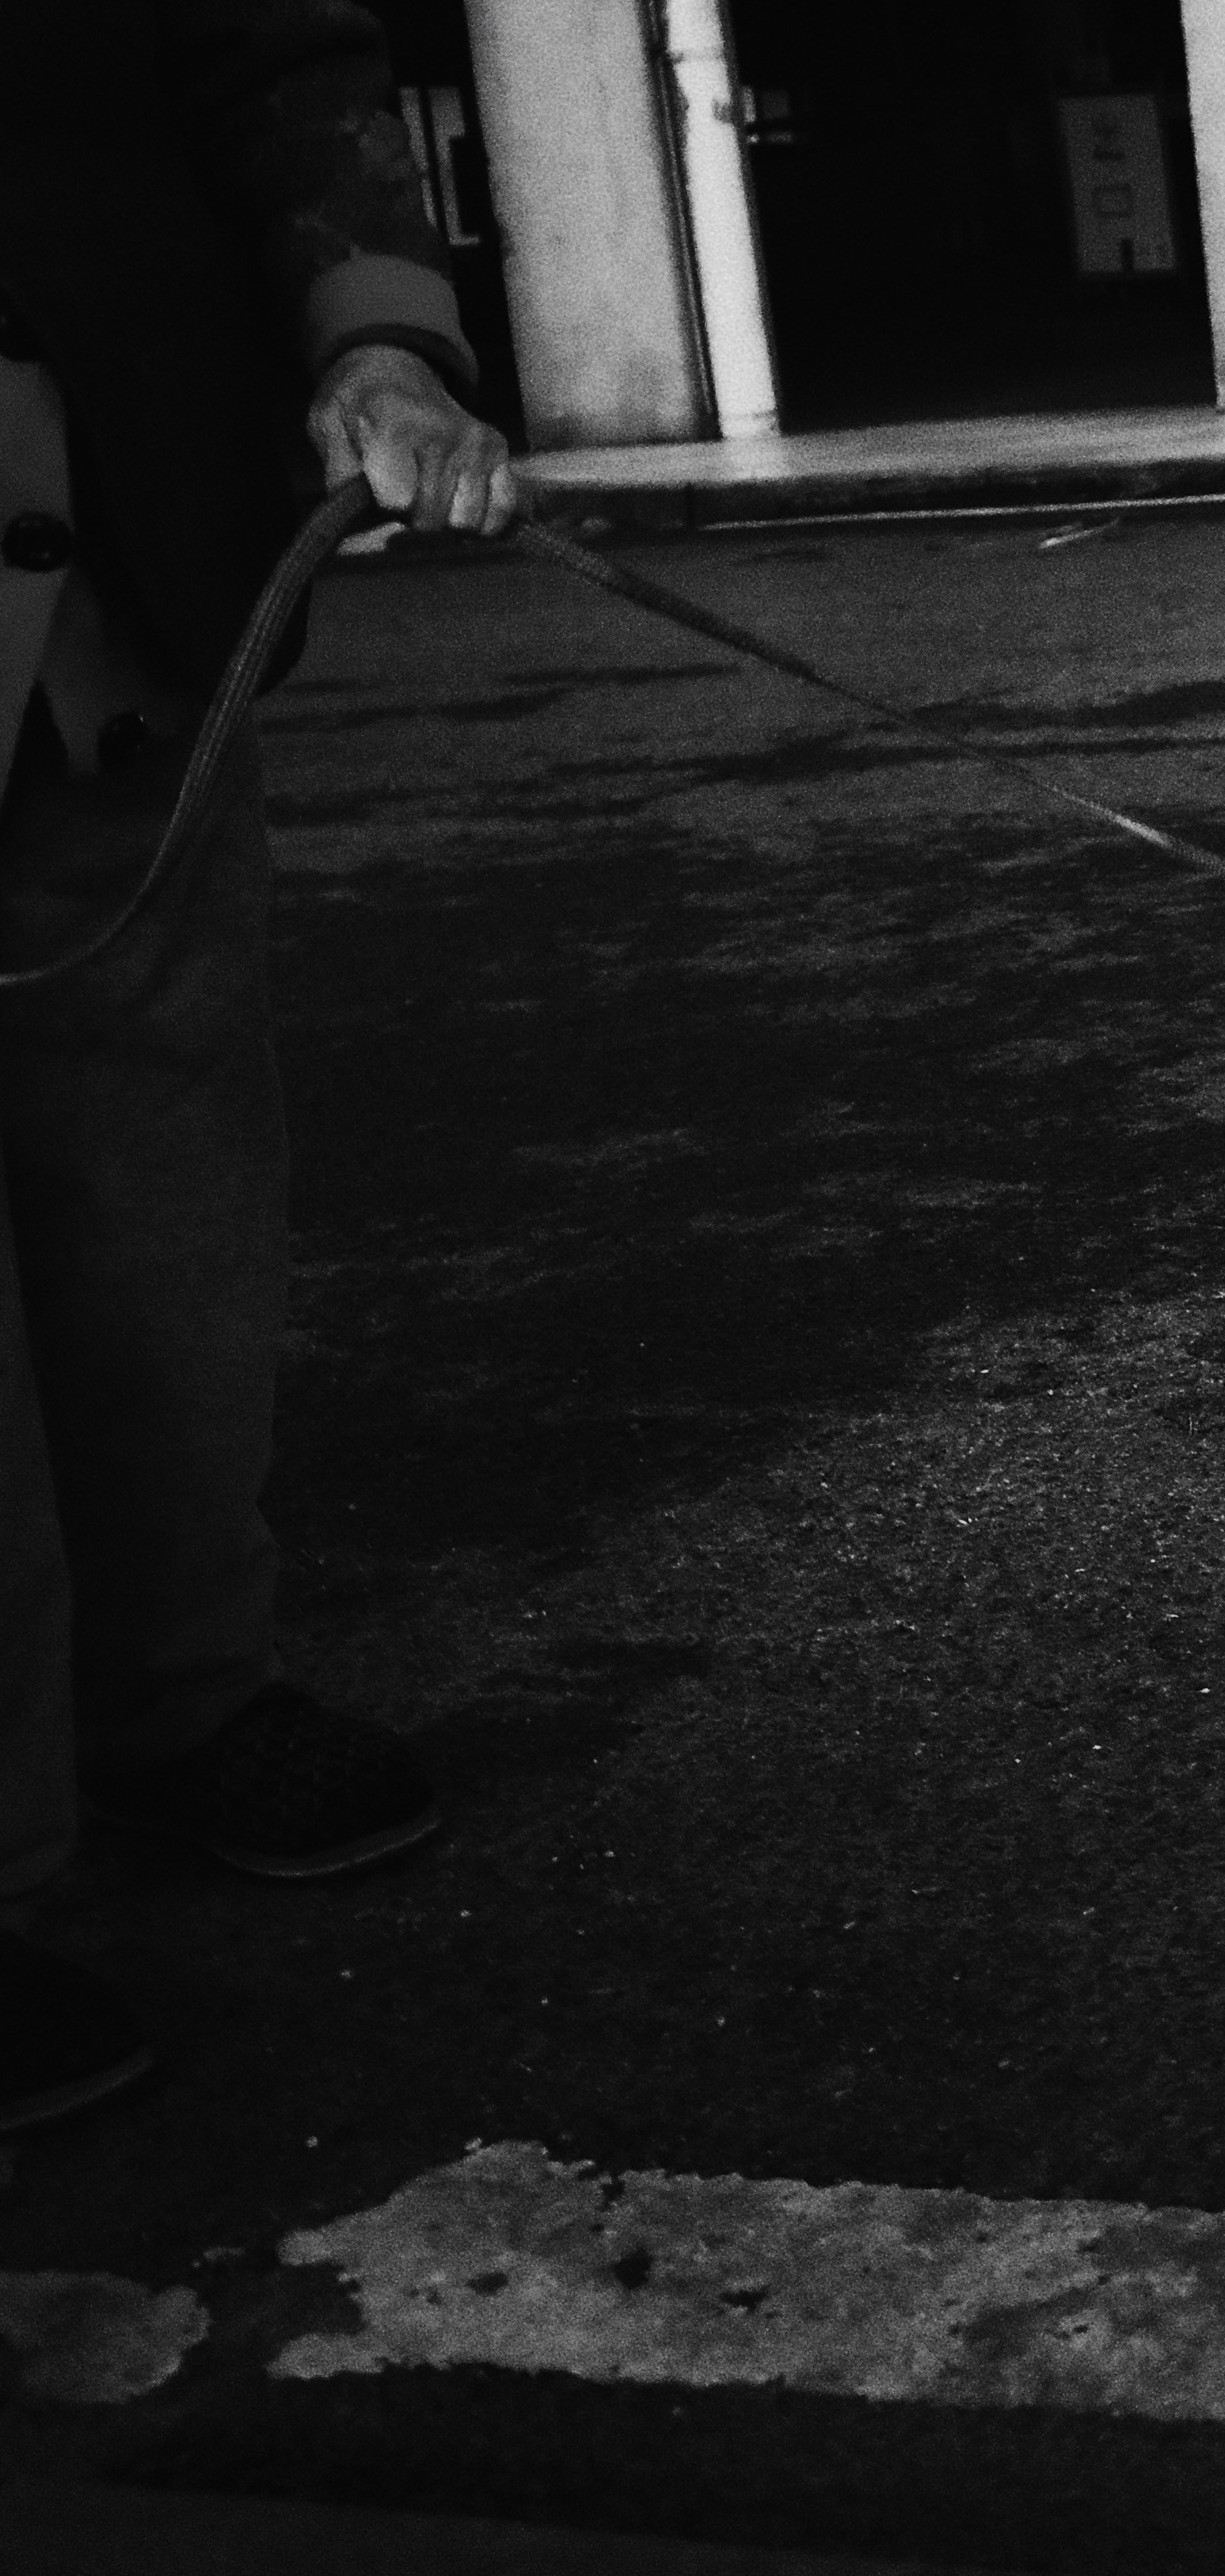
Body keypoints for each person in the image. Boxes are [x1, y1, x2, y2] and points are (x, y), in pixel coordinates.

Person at [0, 1, 517, 2132]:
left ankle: (182, 1692)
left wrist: (381, 338)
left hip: (116, 572)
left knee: (167, 1202)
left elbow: (278, 53)